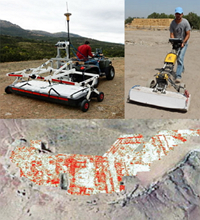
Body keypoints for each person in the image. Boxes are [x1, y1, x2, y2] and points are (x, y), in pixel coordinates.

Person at [169, 7, 191, 83]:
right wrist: (173, 41)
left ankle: (178, 76)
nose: (178, 15)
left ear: (182, 14)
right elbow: (171, 34)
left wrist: (183, 42)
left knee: (180, 57)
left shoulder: (185, 22)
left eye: (179, 14)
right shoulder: (172, 23)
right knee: (176, 56)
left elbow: (188, 34)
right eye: (177, 13)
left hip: (184, 42)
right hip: (176, 42)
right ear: (175, 14)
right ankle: (182, 68)